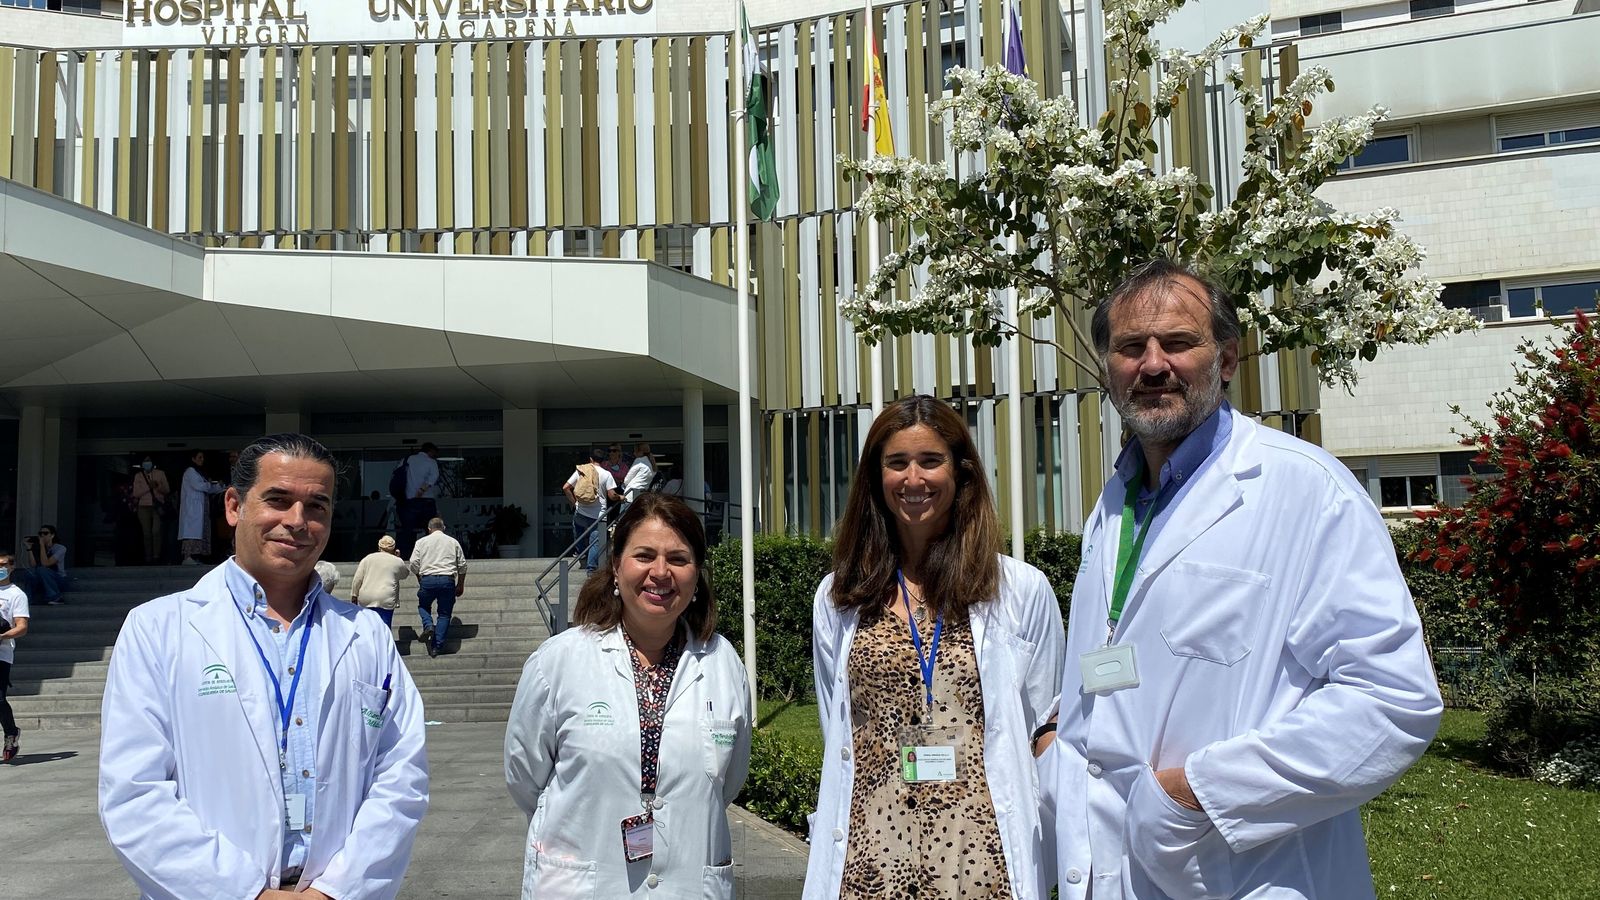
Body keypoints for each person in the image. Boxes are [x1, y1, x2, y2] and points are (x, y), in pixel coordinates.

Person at [1043, 260, 1442, 899]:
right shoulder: (1117, 500)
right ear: (1106, 366)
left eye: (1178, 342)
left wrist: (1197, 793)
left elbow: (1393, 702)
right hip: (1102, 866)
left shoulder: (1308, 490)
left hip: (1239, 872)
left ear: (1227, 359)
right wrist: (1054, 735)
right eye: (1129, 347)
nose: (1152, 365)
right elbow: (1119, 654)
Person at [98, 433, 429, 899]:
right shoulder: (158, 628)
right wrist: (247, 893)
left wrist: (337, 891)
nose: (297, 521)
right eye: (278, 500)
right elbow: (135, 794)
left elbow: (402, 776)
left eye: (317, 506)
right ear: (234, 506)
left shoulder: (366, 634)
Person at [805, 395, 1066, 900]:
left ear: (960, 470)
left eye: (930, 461)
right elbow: (835, 726)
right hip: (867, 864)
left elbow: (1044, 727)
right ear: (875, 478)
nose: (913, 479)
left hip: (984, 865)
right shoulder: (839, 596)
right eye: (896, 463)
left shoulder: (1020, 590)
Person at [505, 493, 752, 899]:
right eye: (644, 555)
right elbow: (525, 777)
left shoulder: (723, 663)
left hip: (687, 883)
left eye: (678, 558)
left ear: (696, 574)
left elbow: (728, 781)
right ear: (616, 567)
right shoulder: (559, 662)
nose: (660, 572)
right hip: (585, 883)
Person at [408, 516, 466, 659]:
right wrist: (460, 584)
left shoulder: (421, 542)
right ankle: (436, 647)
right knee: (444, 614)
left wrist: (419, 578)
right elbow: (463, 565)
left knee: (423, 605)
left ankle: (428, 624)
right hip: (447, 580)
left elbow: (413, 564)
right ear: (444, 528)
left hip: (428, 579)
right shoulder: (453, 542)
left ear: (429, 529)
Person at [563, 448, 622, 574]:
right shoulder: (606, 474)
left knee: (578, 534)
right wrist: (620, 497)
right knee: (595, 541)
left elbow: (566, 487)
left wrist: (575, 504)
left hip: (581, 512)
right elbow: (612, 496)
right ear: (603, 461)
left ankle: (581, 553)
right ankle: (590, 571)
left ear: (590, 459)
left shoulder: (581, 471)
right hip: (599, 515)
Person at [0, 553, 30, 762]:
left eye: (2, 565)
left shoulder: (15, 594)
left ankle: (10, 733)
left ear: (11, 567)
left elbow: (21, 627)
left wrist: (2, 635)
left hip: (2, 652)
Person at [351, 535, 411, 629]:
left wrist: (354, 594)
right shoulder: (396, 561)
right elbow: (405, 574)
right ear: (394, 548)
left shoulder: (368, 558)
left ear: (379, 547)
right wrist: (398, 558)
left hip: (367, 596)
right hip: (386, 597)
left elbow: (357, 579)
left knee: (367, 627)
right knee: (384, 628)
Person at [179, 449, 227, 565]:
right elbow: (200, 486)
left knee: (198, 532)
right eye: (199, 457)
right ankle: (187, 557)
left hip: (200, 508)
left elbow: (208, 487)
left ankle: (195, 557)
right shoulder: (190, 471)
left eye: (202, 457)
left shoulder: (198, 472)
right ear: (193, 459)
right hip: (192, 509)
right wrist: (211, 485)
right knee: (191, 532)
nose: (202, 460)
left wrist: (220, 487)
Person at [397, 442, 440, 559]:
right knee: (431, 530)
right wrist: (421, 490)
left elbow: (398, 474)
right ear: (430, 451)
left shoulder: (407, 460)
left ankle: (407, 557)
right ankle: (430, 556)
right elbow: (433, 478)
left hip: (409, 500)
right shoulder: (431, 462)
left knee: (408, 530)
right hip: (426, 501)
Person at [129, 455, 171, 564]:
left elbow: (167, 490)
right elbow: (136, 493)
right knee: (146, 533)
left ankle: (156, 556)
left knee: (156, 531)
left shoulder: (160, 473)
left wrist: (157, 486)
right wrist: (149, 487)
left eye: (149, 461)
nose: (147, 463)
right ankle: (148, 557)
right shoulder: (138, 476)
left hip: (157, 506)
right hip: (143, 507)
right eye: (145, 461)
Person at [17, 524, 68, 605]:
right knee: (30, 572)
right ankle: (28, 601)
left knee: (42, 569)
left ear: (52, 535)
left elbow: (46, 564)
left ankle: (55, 597)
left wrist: (42, 545)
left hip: (59, 580)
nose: (42, 536)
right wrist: (29, 548)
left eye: (45, 533)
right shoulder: (38, 547)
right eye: (40, 534)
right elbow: (33, 565)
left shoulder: (60, 548)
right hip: (43, 580)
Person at [620, 441, 657, 511]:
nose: (634, 453)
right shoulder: (652, 463)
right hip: (642, 493)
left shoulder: (639, 460)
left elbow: (628, 478)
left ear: (640, 452)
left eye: (635, 451)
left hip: (631, 494)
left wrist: (624, 484)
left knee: (625, 517)